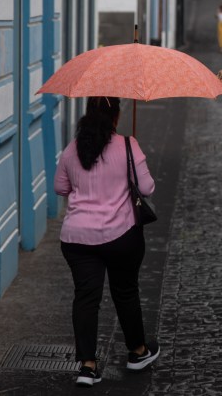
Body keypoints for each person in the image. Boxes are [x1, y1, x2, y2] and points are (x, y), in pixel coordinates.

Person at [55, 97, 161, 386]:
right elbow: (148, 187)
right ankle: (137, 351)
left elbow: (60, 187)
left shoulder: (72, 149)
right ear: (115, 117)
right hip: (121, 235)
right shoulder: (128, 145)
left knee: (86, 297)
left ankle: (87, 367)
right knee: (125, 291)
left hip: (77, 238)